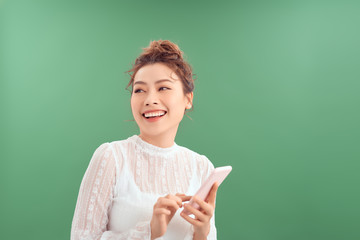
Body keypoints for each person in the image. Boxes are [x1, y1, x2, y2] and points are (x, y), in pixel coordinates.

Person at [71, 40, 218, 240]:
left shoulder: (202, 168)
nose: (149, 99)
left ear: (188, 99)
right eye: (139, 90)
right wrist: (149, 232)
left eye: (163, 88)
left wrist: (202, 233)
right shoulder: (111, 158)